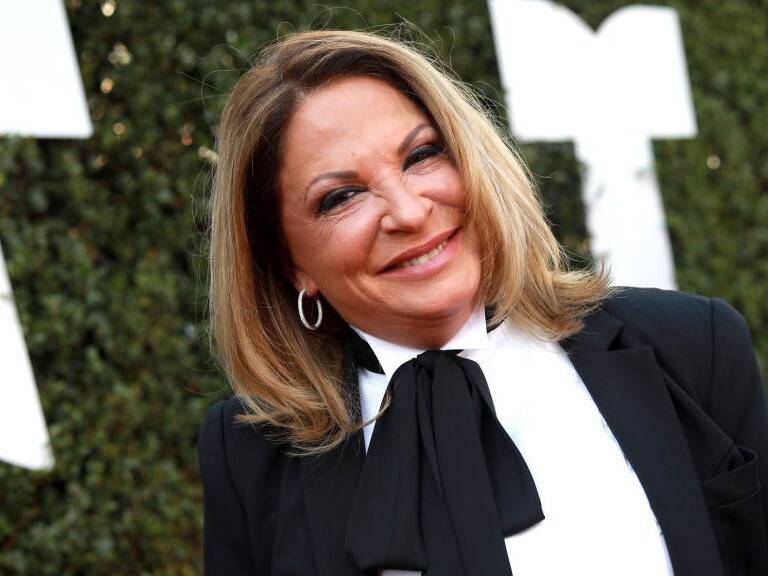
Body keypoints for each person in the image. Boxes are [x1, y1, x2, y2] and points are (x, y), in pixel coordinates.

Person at [198, 29, 768, 576]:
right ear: (289, 262)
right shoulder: (247, 452)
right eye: (342, 196)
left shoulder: (692, 346)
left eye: (422, 155)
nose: (410, 212)